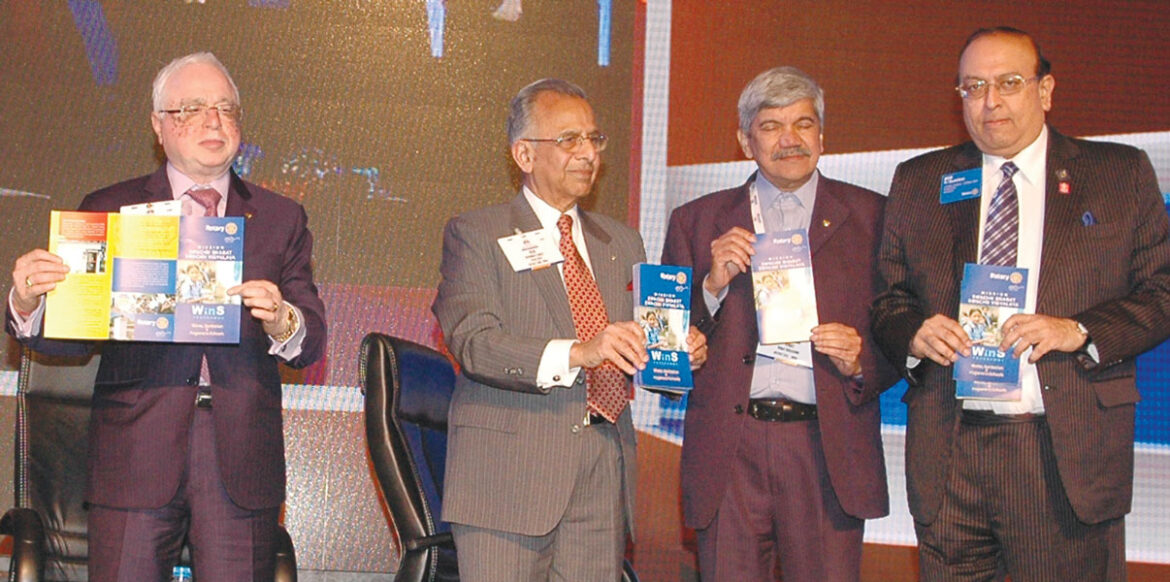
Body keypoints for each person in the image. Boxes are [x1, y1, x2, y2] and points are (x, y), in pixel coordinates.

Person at [7, 52, 327, 581]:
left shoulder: (279, 217)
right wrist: (27, 302)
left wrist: (281, 320)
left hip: (240, 455)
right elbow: (68, 339)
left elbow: (310, 341)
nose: (214, 122)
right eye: (192, 109)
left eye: (226, 109)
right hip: (137, 448)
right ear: (158, 125)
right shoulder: (111, 208)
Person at [870, 27, 1170, 581]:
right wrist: (912, 332)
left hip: (1061, 450)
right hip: (949, 450)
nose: (990, 102)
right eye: (973, 87)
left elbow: (1162, 292)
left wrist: (1078, 329)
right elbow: (888, 299)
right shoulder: (920, 180)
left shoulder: (1118, 173)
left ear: (1045, 90)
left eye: (1009, 83)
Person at [432, 78, 707, 581]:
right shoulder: (477, 232)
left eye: (594, 139)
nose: (587, 153)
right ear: (524, 154)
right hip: (509, 475)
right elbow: (474, 342)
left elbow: (648, 361)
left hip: (603, 470)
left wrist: (679, 354)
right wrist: (580, 352)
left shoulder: (622, 243)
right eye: (569, 140)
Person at [661, 66, 896, 582]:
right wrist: (711, 287)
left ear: (822, 136)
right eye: (771, 126)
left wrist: (861, 361)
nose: (790, 139)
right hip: (730, 450)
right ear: (746, 142)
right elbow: (666, 356)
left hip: (826, 449)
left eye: (803, 124)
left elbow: (902, 332)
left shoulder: (874, 217)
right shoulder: (696, 221)